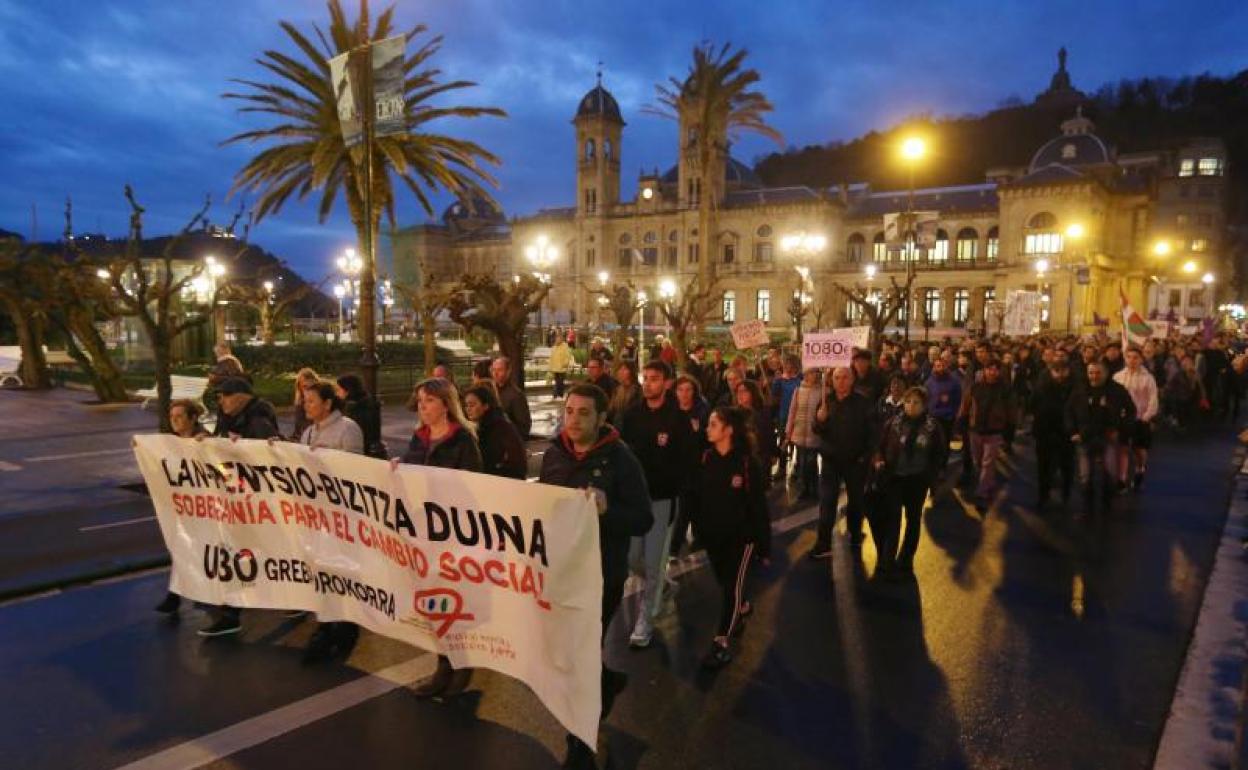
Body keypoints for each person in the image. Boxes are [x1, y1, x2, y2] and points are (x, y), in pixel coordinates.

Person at [538, 384, 652, 769]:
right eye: (569, 411)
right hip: (560, 572)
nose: (573, 419)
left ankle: (580, 740)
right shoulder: (554, 455)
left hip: (601, 575)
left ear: (601, 418)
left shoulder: (621, 460)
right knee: (567, 652)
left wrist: (608, 511)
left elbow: (643, 519)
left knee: (579, 657)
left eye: (584, 412)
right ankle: (607, 680)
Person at [399, 378, 484, 696]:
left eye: (429, 400)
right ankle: (442, 666)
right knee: (433, 604)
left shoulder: (463, 440)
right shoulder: (419, 438)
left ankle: (460, 666)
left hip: (451, 536)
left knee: (454, 604)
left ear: (445, 404)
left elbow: (474, 487)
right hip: (424, 535)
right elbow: (409, 473)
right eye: (420, 400)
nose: (422, 406)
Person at [620, 360, 695, 648]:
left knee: (653, 563)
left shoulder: (677, 419)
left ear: (666, 383)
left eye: (654, 379)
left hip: (663, 501)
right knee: (631, 559)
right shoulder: (631, 415)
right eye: (645, 378)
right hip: (635, 500)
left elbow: (687, 462)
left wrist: (680, 493)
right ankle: (662, 587)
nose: (647, 383)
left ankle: (646, 621)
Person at [199, 377, 279, 638]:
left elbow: (267, 459)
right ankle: (232, 611)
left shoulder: (257, 421)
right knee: (239, 553)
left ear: (242, 397)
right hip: (235, 500)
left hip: (254, 503)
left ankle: (233, 613)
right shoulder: (228, 419)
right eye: (220, 396)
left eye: (226, 395)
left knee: (254, 553)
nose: (221, 400)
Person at [694, 406, 768, 668]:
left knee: (730, 588)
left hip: (741, 537)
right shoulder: (706, 458)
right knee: (725, 582)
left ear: (728, 430)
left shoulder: (747, 463)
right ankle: (743, 606)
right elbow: (699, 498)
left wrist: (764, 546)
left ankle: (721, 640)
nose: (707, 428)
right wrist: (697, 531)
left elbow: (758, 506)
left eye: (713, 424)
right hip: (714, 536)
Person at [297, 381, 365, 664]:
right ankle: (325, 625)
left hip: (341, 516)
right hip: (316, 517)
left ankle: (346, 625)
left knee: (342, 570)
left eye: (311, 400)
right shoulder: (307, 432)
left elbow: (354, 472)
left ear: (327, 403)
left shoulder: (348, 430)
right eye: (304, 400)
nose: (305, 405)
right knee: (321, 569)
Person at [874, 386, 946, 577]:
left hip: (918, 480)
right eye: (908, 402)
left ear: (924, 405)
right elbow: (879, 446)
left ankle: (906, 559)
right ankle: (887, 560)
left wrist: (932, 476)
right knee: (893, 519)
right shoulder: (893, 423)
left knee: (913, 520)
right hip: (895, 478)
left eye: (916, 403)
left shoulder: (932, 426)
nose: (911, 406)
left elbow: (939, 453)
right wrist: (879, 460)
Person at [811, 367, 876, 561]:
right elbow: (817, 429)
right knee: (827, 502)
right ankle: (823, 543)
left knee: (856, 501)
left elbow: (872, 433)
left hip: (855, 462)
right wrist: (820, 420)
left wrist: (865, 457)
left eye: (845, 377)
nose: (840, 381)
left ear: (852, 379)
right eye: (837, 377)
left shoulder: (863, 403)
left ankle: (855, 535)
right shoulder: (825, 401)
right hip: (831, 461)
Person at [154, 399, 208, 616]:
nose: (174, 421)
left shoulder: (205, 441)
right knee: (182, 550)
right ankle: (174, 596)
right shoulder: (173, 444)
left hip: (206, 509)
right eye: (172, 417)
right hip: (186, 509)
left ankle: (226, 605)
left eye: (179, 416)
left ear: (193, 418)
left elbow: (223, 471)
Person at [1065, 361, 1135, 516]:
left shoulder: (1117, 390)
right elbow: (1068, 411)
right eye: (1091, 372)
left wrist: (1120, 428)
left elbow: (1131, 410)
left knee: (1109, 473)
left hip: (1108, 436)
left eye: (1098, 373)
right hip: (1084, 437)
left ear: (1105, 373)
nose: (1094, 376)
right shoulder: (1080, 390)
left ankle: (1106, 506)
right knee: (1086, 476)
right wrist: (1072, 432)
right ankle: (1088, 507)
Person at [957, 359, 1014, 509]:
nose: (992, 372)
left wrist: (1009, 425)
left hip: (994, 430)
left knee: (987, 462)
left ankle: (982, 491)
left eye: (996, 369)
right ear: (984, 370)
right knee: (978, 460)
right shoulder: (975, 387)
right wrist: (962, 419)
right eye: (990, 369)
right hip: (975, 429)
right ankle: (988, 481)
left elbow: (1010, 408)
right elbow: (965, 404)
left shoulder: (1004, 389)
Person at [671, 373, 709, 559]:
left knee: (689, 505)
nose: (684, 394)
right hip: (676, 466)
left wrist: (698, 431)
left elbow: (707, 439)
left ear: (694, 392)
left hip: (695, 465)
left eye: (688, 390)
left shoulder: (701, 411)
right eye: (680, 390)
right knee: (684, 505)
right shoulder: (671, 411)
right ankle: (682, 541)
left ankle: (676, 546)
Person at [1113, 346, 1160, 490]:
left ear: (1141, 359)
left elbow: (1153, 399)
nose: (1132, 360)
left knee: (1139, 450)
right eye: (1129, 357)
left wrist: (1146, 417)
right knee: (1123, 448)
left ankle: (1140, 468)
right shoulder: (1118, 376)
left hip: (1140, 418)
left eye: (1135, 357)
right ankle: (1121, 479)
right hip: (1123, 419)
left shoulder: (1148, 378)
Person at [1031, 362, 1076, 508]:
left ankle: (1066, 494)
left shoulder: (1075, 389)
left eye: (1063, 370)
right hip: (1045, 433)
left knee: (1067, 467)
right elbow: (1032, 406)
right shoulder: (1041, 388)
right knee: (1043, 467)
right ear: (1051, 372)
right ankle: (1043, 495)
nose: (1060, 374)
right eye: (1056, 370)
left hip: (1067, 434)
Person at [463, 384, 527, 479]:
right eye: (466, 405)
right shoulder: (477, 426)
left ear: (486, 405)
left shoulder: (499, 427)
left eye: (472, 405)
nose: (468, 409)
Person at [784, 366, 823, 502]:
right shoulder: (798, 390)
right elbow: (792, 411)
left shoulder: (822, 391)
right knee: (802, 464)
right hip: (799, 433)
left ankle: (814, 489)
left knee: (811, 463)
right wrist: (788, 431)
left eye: (816, 372)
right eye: (811, 373)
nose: (814, 375)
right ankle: (805, 489)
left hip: (814, 434)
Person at [335, 374, 386, 459]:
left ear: (346, 391)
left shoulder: (351, 409)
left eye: (338, 390)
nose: (336, 393)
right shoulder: (367, 403)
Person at [770, 355, 802, 481]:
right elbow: (774, 393)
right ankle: (782, 468)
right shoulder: (780, 380)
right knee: (783, 441)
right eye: (786, 364)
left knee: (796, 443)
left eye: (790, 364)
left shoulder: (799, 380)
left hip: (797, 416)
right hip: (784, 415)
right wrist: (775, 381)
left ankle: (796, 468)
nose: (787, 367)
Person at [925, 355, 962, 446]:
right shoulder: (929, 382)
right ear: (934, 367)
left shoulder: (954, 382)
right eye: (938, 366)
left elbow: (958, 399)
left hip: (948, 419)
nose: (940, 368)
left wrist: (955, 412)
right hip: (933, 418)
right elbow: (926, 399)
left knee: (945, 443)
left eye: (942, 366)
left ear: (946, 366)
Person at [490, 356, 532, 438]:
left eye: (499, 370)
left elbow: (524, 426)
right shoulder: (490, 391)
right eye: (493, 370)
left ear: (508, 371)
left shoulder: (516, 395)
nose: (495, 373)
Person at [204, 342, 245, 414]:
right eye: (216, 352)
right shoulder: (225, 361)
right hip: (222, 391)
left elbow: (234, 378)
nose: (217, 354)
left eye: (218, 352)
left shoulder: (229, 361)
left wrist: (215, 378)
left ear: (226, 350)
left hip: (228, 392)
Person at [290, 367, 322, 440]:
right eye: (304, 387)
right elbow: (297, 433)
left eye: (311, 387)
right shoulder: (300, 405)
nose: (308, 391)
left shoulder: (324, 403)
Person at [607, 360, 640, 427]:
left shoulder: (637, 390)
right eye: (620, 369)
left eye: (624, 369)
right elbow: (611, 411)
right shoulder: (617, 389)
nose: (621, 372)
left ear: (632, 372)